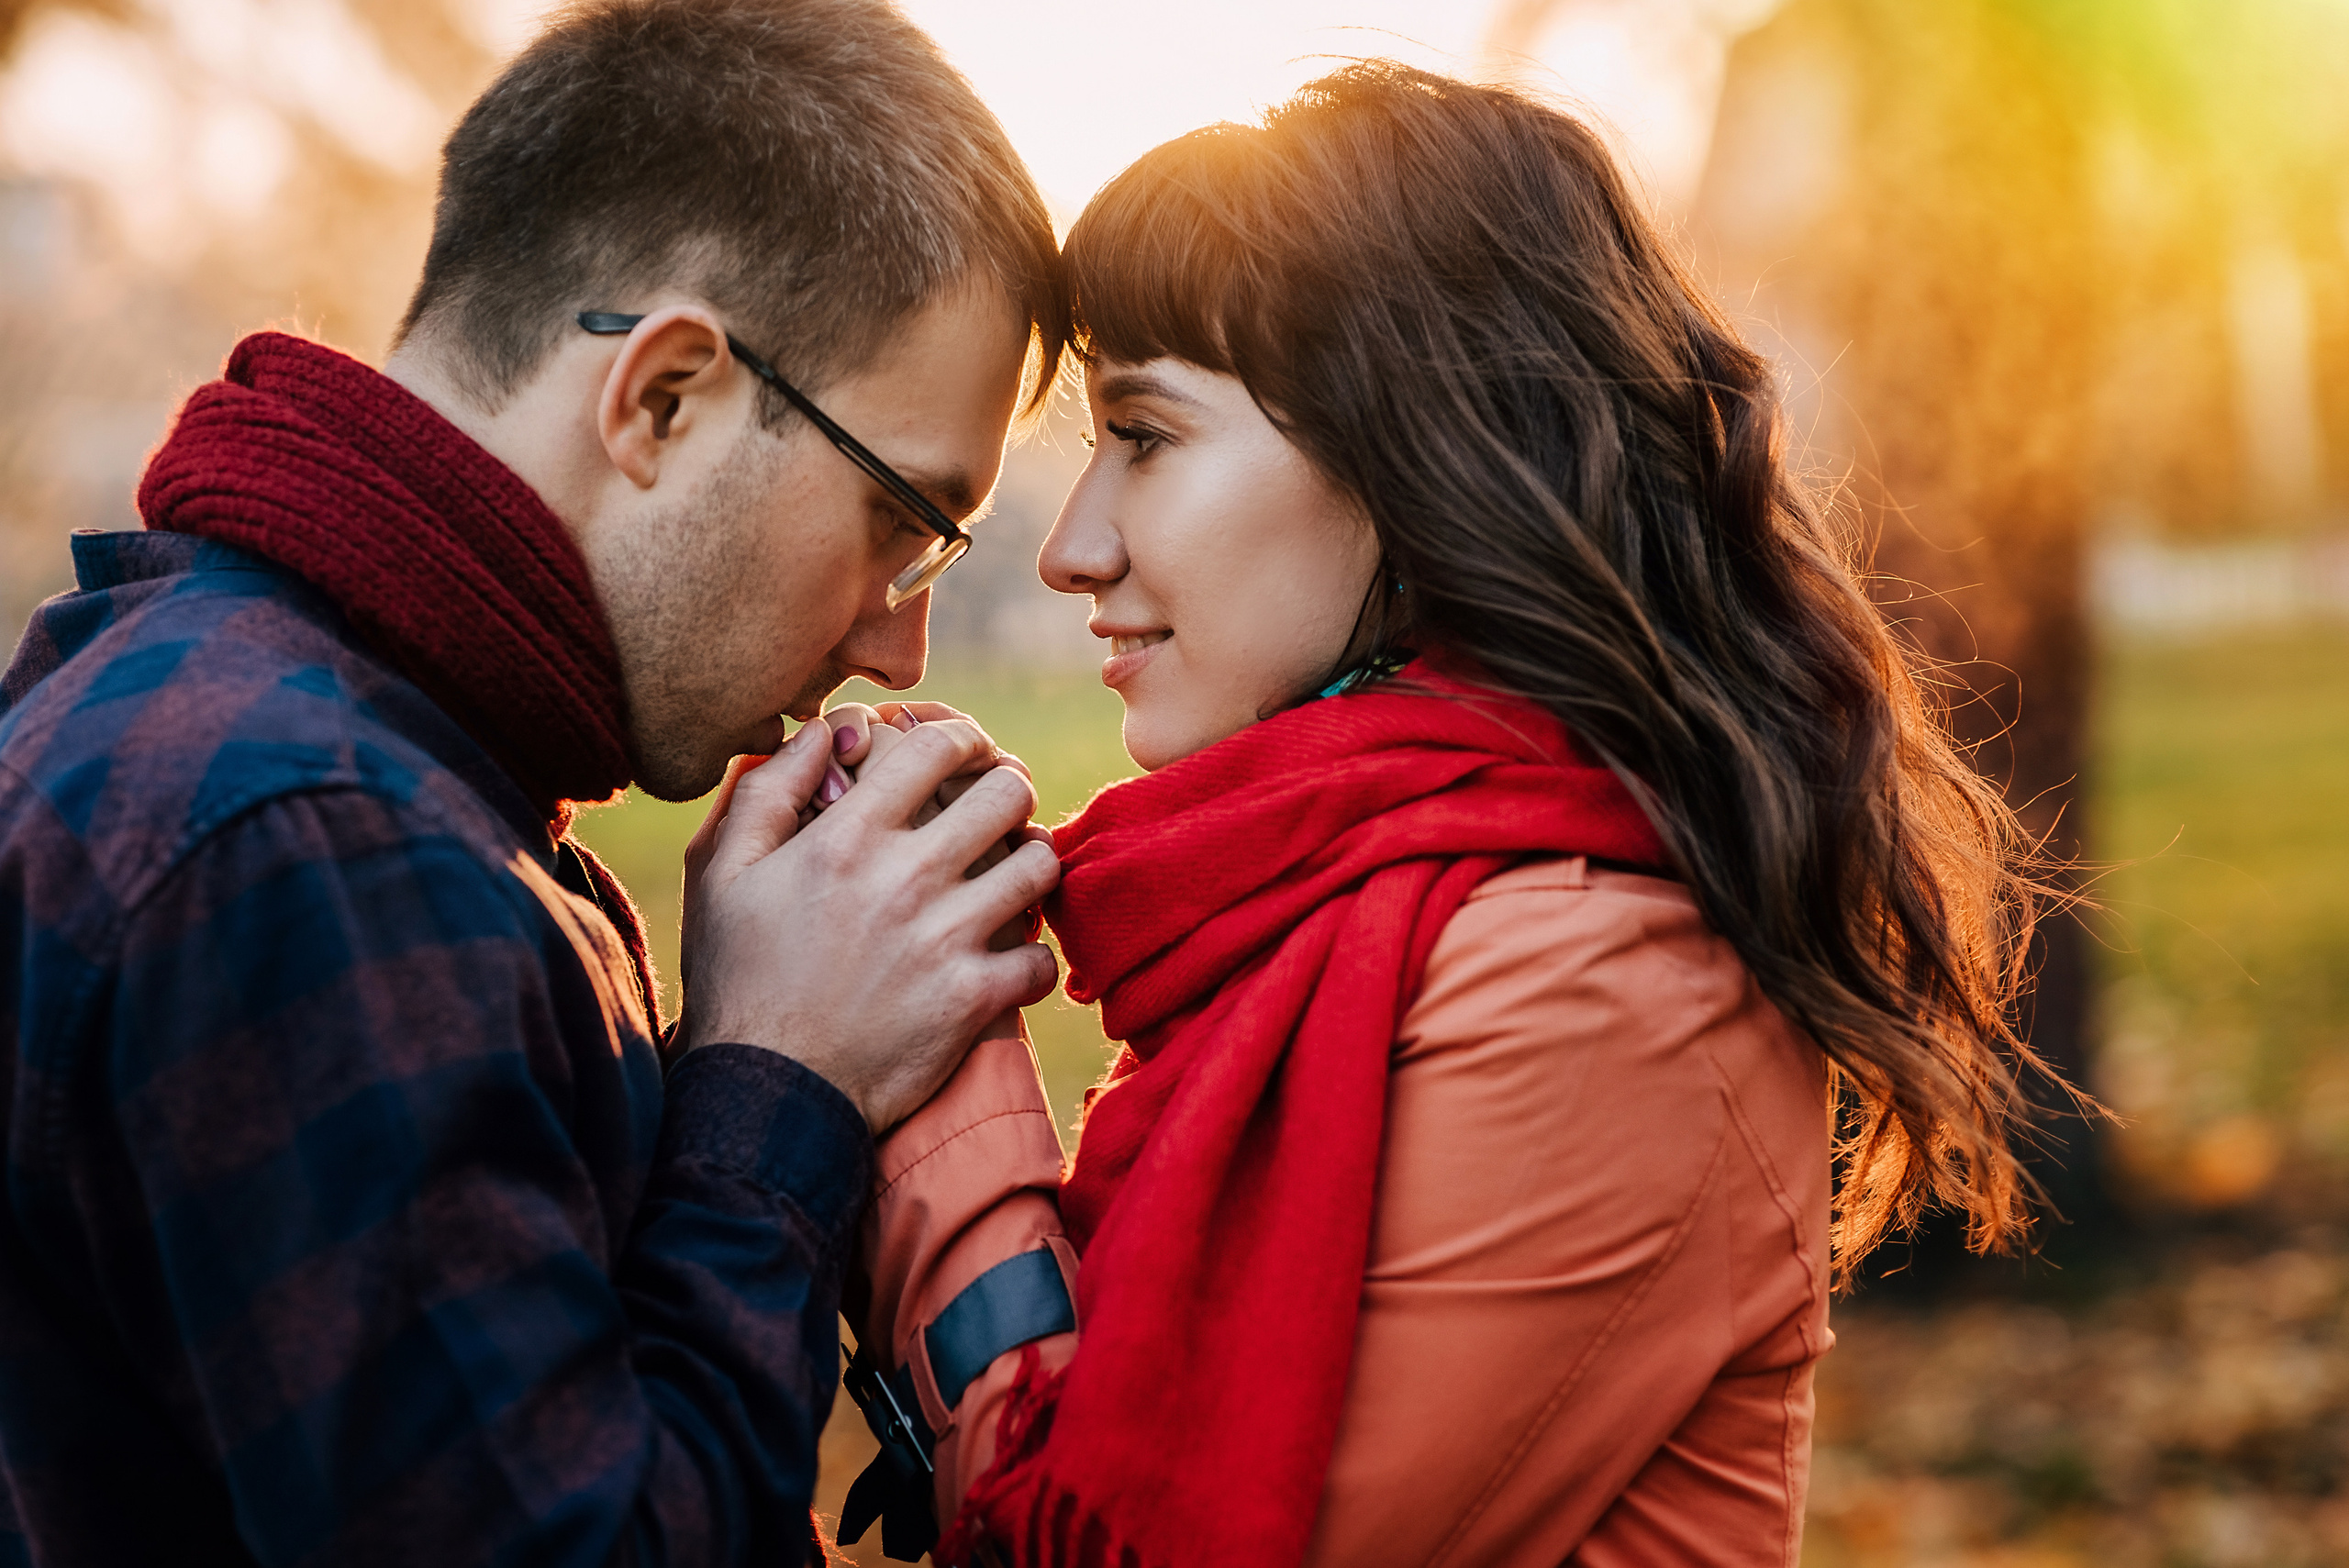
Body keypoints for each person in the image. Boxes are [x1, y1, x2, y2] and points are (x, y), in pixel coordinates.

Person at [837, 63, 2073, 1567]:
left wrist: (935, 1056)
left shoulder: (1601, 980)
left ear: (1409, 458)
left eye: (1144, 437)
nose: (1073, 546)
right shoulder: (1372, 904)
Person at [0, 2, 1067, 1563]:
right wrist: (783, 1082)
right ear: (665, 397)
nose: (897, 645)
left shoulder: (245, 710)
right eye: (902, 520)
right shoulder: (318, 843)